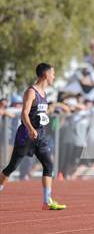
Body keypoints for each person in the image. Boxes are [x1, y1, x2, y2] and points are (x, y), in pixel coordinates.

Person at [0, 63, 66, 210]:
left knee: (49, 164)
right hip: (26, 135)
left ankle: (46, 201)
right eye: (52, 74)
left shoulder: (45, 94)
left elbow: (39, 113)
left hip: (40, 136)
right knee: (11, 167)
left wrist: (44, 118)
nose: (54, 76)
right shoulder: (31, 92)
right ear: (45, 75)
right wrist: (30, 128)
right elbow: (24, 113)